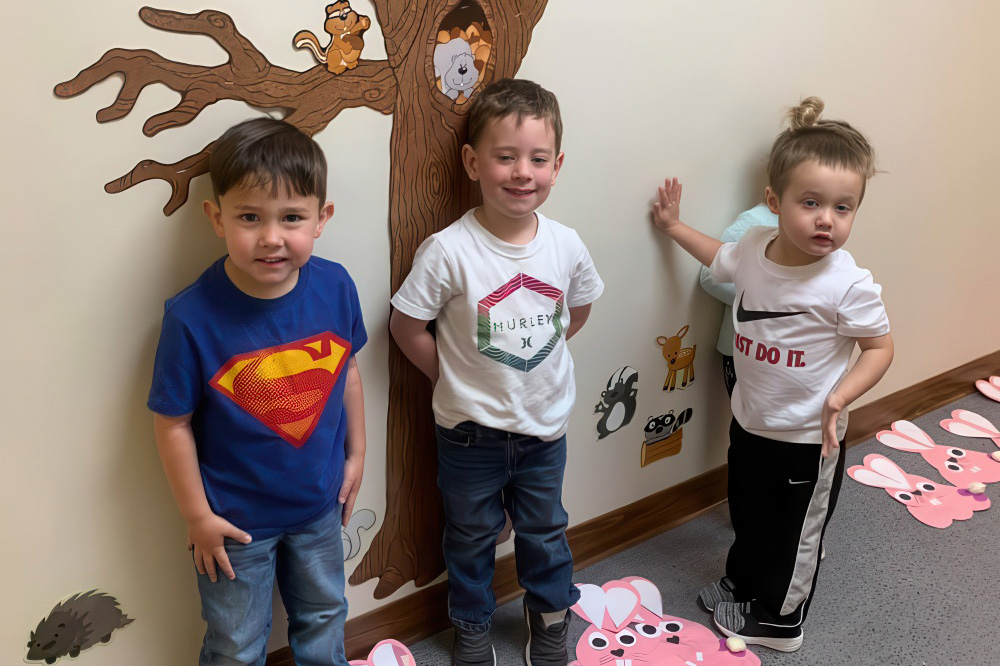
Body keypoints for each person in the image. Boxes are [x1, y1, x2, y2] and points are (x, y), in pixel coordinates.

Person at [650, 97, 893, 652]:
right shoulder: (756, 248)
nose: (826, 219)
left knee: (793, 534)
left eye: (843, 207)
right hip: (752, 421)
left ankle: (781, 621)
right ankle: (744, 582)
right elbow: (719, 257)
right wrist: (673, 226)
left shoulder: (849, 284)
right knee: (749, 510)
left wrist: (840, 398)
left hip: (808, 438)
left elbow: (880, 347)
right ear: (773, 202)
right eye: (811, 203)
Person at [389, 78, 604, 666]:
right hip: (468, 434)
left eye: (537, 159)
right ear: (473, 162)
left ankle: (551, 618)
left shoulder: (565, 245)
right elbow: (406, 327)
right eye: (505, 157)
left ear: (557, 166)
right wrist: (450, 376)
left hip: (543, 430)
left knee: (545, 534)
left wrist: (544, 355)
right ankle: (472, 626)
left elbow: (576, 310)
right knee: (469, 538)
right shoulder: (449, 250)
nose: (521, 172)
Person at [148, 117, 367, 666]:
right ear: (217, 219)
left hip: (319, 507)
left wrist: (357, 454)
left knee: (324, 617)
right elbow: (171, 422)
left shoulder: (336, 286)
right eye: (250, 217)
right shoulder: (192, 318)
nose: (272, 237)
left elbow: (348, 374)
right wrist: (197, 516)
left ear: (322, 219)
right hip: (233, 524)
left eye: (292, 217)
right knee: (235, 642)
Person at [699, 205, 778, 397]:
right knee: (746, 424)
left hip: (782, 353)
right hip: (744, 353)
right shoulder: (754, 220)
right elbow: (710, 276)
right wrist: (769, 304)